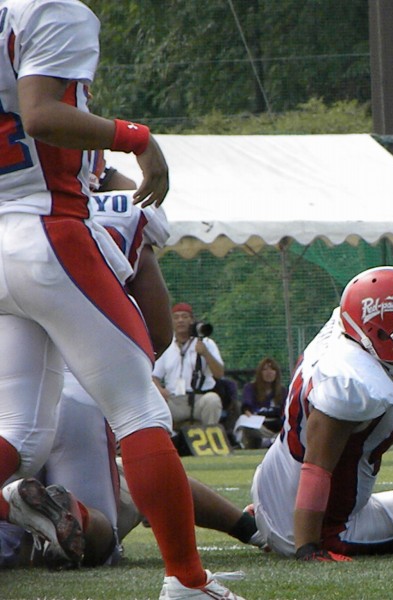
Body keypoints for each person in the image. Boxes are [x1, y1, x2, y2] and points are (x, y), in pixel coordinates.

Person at [0, 2, 242, 596]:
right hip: (49, 230)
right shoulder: (51, 10)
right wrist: (136, 137)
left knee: (20, 438)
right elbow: (41, 115)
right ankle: (187, 581)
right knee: (140, 410)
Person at [250, 266, 393, 561]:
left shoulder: (344, 327)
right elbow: (316, 467)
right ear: (380, 332)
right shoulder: (353, 383)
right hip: (313, 525)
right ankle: (314, 537)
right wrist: (307, 548)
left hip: (269, 493)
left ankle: (262, 519)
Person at [152, 303, 225, 428]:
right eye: (176, 317)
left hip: (199, 398)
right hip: (174, 399)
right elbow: (154, 376)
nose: (180, 320)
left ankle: (209, 436)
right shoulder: (167, 345)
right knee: (154, 403)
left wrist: (205, 353)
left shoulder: (206, 342)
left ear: (191, 320)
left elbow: (219, 373)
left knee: (213, 400)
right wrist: (160, 390)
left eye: (184, 317)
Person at [238, 357, 288, 449]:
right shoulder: (250, 388)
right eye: (265, 369)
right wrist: (249, 415)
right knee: (244, 421)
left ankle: (271, 441)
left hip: (277, 425)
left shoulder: (283, 391)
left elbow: (286, 412)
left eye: (272, 369)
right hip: (259, 425)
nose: (269, 372)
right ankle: (266, 441)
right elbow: (247, 409)